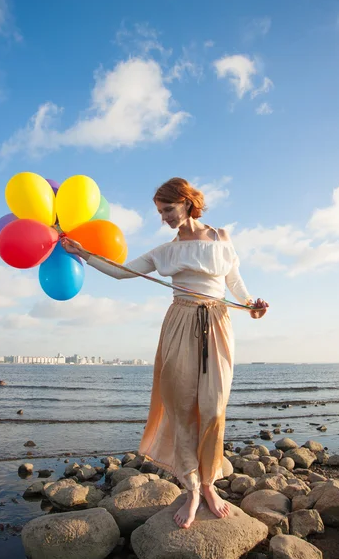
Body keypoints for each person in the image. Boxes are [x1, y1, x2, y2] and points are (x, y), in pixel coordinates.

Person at [61, 177, 268, 529]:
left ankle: (209, 484)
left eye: (168, 209)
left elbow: (235, 281)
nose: (164, 217)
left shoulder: (220, 237)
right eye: (159, 212)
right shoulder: (165, 251)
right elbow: (120, 272)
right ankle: (192, 490)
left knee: (214, 407)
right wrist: (83, 252)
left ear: (187, 202)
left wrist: (252, 304)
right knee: (180, 407)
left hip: (217, 323)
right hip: (179, 324)